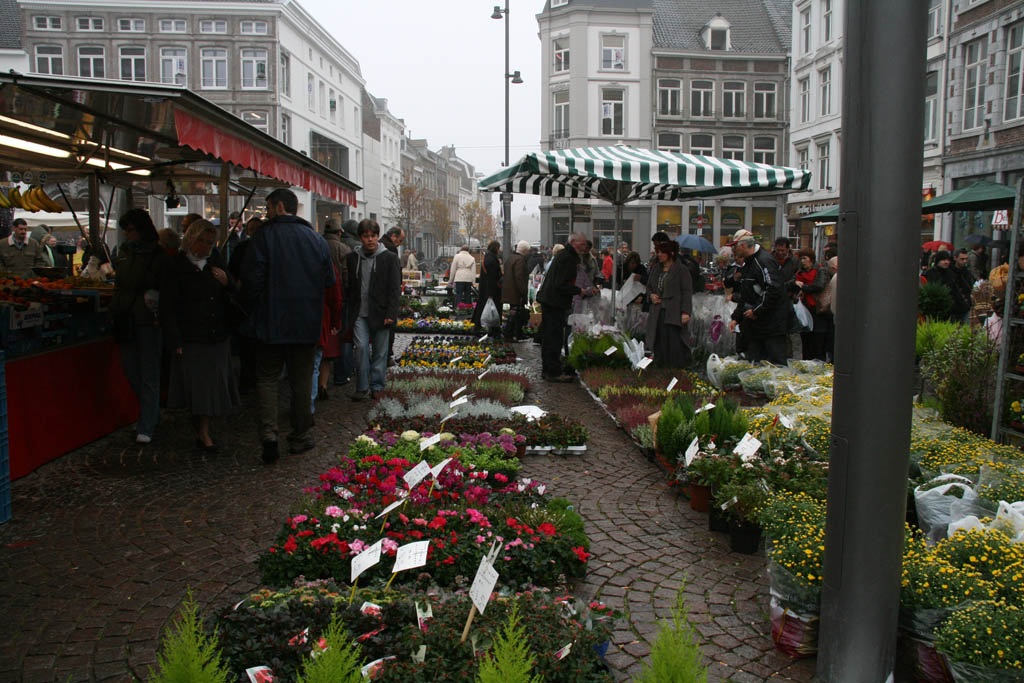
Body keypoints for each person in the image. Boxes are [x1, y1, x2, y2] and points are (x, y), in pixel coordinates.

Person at [240, 189, 335, 463]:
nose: (266, 213)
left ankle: (269, 434)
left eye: (268, 207)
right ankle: (301, 435)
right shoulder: (315, 240)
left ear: (279, 206)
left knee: (268, 379)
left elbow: (252, 282)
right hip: (305, 323)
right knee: (301, 382)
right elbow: (329, 281)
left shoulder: (264, 237)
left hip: (270, 322)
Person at [161, 219, 241, 452]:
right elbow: (168, 306)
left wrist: (226, 282)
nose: (205, 246)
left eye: (209, 242)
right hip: (191, 336)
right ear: (191, 239)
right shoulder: (175, 265)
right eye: (202, 241)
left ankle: (204, 428)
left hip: (216, 335)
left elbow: (233, 292)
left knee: (211, 385)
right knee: (196, 386)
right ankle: (202, 431)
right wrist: (174, 339)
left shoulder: (215, 261)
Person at [109, 209, 170, 444]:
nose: (127, 234)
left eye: (131, 230)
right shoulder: (124, 253)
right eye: (125, 230)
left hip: (149, 321)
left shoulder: (157, 256)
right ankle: (151, 414)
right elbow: (120, 284)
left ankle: (147, 424)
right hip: (126, 318)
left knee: (149, 373)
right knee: (131, 370)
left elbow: (163, 288)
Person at [345, 219, 401, 401]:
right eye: (366, 236)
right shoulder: (353, 258)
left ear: (378, 236)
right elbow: (350, 286)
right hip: (359, 312)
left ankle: (377, 385)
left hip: (381, 311)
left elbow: (394, 288)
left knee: (380, 352)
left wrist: (391, 314)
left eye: (373, 236)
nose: (370, 240)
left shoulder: (389, 258)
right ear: (360, 237)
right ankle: (361, 386)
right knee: (360, 348)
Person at [727, 229, 789, 365]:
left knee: (776, 365)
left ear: (743, 245)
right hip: (756, 325)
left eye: (734, 246)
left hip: (772, 325)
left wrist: (757, 311)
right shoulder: (749, 264)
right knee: (755, 363)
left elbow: (773, 289)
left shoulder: (764, 261)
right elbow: (746, 294)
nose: (733, 250)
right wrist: (736, 317)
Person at [537, 232, 593, 382]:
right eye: (582, 244)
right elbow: (561, 284)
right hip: (554, 302)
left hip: (550, 301)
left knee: (550, 337)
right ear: (574, 243)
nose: (584, 247)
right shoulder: (568, 258)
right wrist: (578, 290)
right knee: (554, 338)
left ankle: (548, 370)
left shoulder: (564, 255)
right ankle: (553, 372)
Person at [646, 239, 693, 368]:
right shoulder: (656, 268)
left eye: (662, 252)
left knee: (674, 344)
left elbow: (687, 292)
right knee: (658, 342)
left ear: (671, 253)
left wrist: (686, 312)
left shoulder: (682, 270)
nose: (659, 255)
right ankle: (660, 371)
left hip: (673, 313)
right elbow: (649, 286)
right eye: (658, 252)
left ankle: (675, 371)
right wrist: (651, 296)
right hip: (657, 312)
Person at [323, 218, 353, 388]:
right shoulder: (344, 249)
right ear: (339, 232)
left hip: (321, 299)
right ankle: (341, 374)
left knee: (323, 335)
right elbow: (347, 276)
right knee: (342, 335)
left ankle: (322, 377)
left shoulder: (318, 245)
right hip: (340, 297)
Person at [311, 260, 343, 409]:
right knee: (316, 362)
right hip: (319, 319)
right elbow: (335, 296)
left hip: (290, 319)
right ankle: (308, 407)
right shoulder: (325, 263)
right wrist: (336, 322)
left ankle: (302, 405)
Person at [793, 248, 830, 360]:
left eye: (805, 258)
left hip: (818, 309)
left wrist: (803, 287)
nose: (802, 261)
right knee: (806, 340)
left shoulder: (820, 270)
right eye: (801, 258)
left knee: (818, 341)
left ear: (811, 259)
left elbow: (819, 286)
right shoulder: (799, 273)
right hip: (805, 309)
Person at [925, 250, 971, 323]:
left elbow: (956, 291)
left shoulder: (951, 274)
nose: (946, 262)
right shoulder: (930, 273)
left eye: (947, 260)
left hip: (953, 310)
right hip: (936, 309)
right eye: (943, 260)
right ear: (938, 261)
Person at [472, 240, 503, 334]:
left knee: (483, 306)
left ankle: (482, 327)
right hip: (491, 289)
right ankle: (493, 329)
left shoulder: (488, 257)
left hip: (486, 288)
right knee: (492, 308)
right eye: (499, 247)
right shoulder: (492, 259)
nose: (500, 249)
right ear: (495, 248)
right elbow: (493, 276)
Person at [502, 240, 530, 341]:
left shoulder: (511, 258)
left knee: (514, 313)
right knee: (515, 314)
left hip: (509, 290)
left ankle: (517, 333)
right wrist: (523, 292)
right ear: (524, 251)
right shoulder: (520, 260)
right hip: (516, 292)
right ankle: (509, 334)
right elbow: (519, 278)